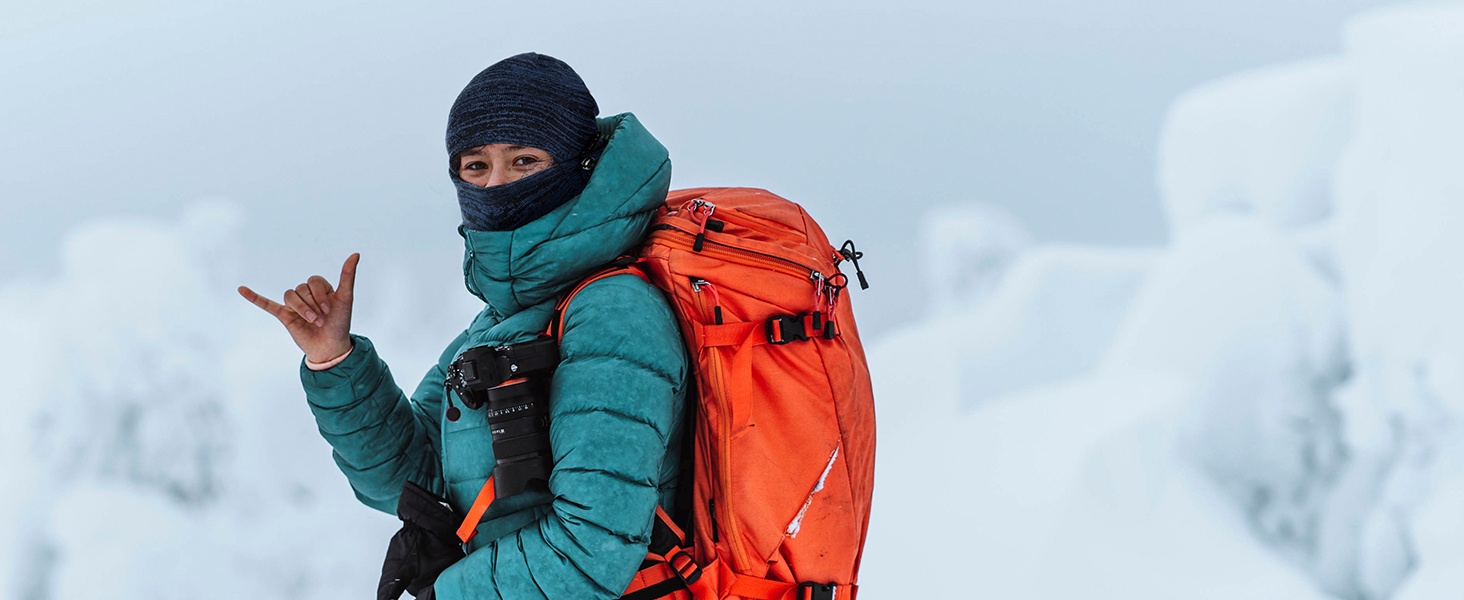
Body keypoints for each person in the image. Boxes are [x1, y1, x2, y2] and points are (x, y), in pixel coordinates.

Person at [238, 52, 688, 600]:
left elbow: (593, 551)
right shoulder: (503, 323)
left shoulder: (613, 313)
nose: (496, 185)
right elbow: (409, 482)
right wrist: (335, 361)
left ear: (580, 165)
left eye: (523, 160)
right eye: (475, 166)